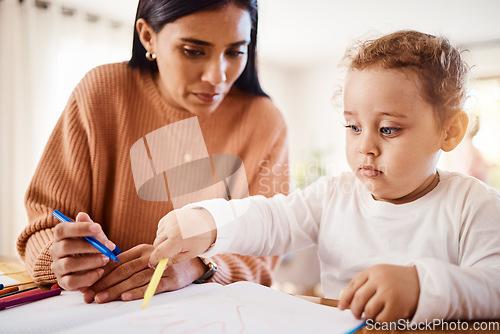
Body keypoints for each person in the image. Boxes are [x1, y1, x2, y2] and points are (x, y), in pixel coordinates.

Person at [148, 30, 500, 323]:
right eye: (353, 126)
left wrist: (422, 286)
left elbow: (494, 287)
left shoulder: (475, 206)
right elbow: (274, 219)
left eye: (389, 129)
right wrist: (209, 222)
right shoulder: (335, 194)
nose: (366, 146)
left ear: (450, 131)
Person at [17, 0, 290, 304]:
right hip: (99, 313)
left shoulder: (265, 122)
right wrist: (55, 257)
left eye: (235, 52)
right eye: (194, 51)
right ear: (148, 36)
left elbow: (264, 252)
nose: (218, 77)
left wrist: (201, 267)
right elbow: (43, 225)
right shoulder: (102, 93)